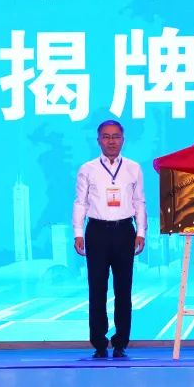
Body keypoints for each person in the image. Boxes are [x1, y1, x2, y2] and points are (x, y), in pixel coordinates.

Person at [72, 120, 146, 359]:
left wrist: (141, 232)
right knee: (97, 289)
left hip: (124, 231)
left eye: (115, 136)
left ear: (123, 139)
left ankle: (121, 342)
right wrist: (78, 232)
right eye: (106, 136)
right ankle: (99, 343)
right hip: (97, 231)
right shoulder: (88, 169)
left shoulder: (133, 168)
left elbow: (139, 202)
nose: (111, 141)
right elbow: (80, 202)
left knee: (124, 289)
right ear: (98, 140)